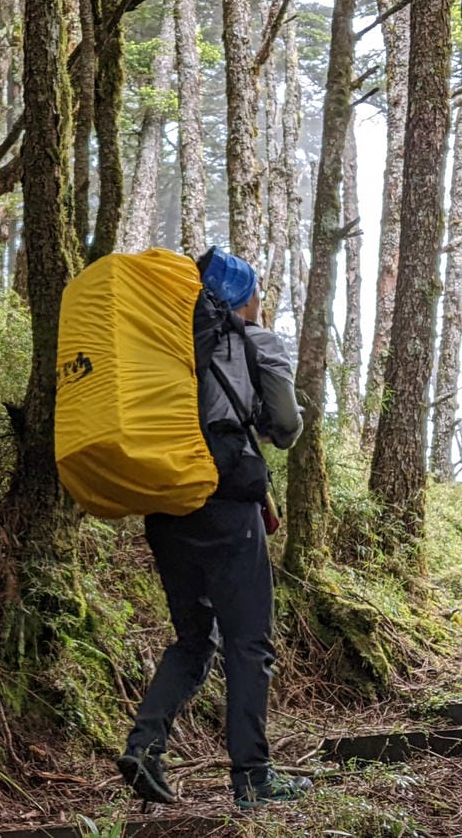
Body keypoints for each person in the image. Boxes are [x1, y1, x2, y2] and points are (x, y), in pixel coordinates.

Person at [115, 246, 311, 810]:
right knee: (249, 643)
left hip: (164, 501)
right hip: (225, 504)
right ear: (244, 298)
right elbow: (287, 426)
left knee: (195, 640)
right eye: (256, 297)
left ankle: (145, 746)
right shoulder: (253, 341)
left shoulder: (161, 341)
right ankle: (253, 778)